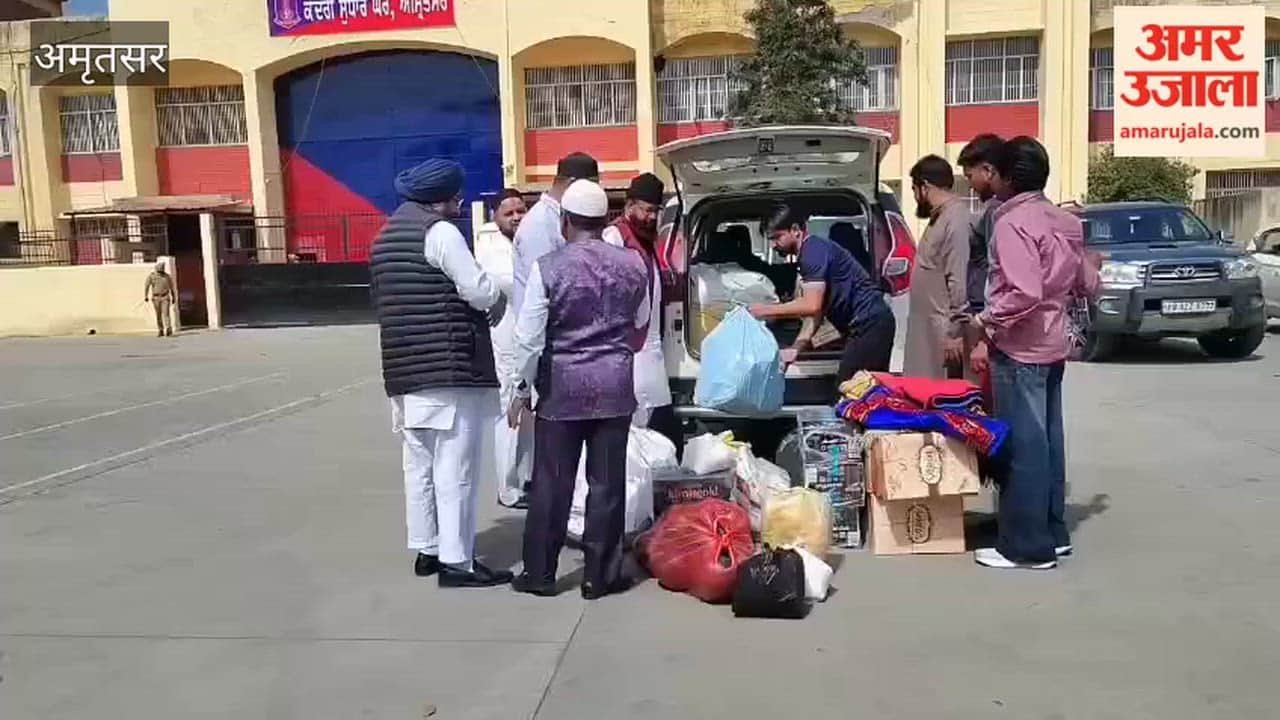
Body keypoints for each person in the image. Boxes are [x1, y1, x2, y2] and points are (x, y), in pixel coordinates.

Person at [369, 158, 514, 589]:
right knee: (458, 468)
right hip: (449, 367)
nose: (458, 205)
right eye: (457, 199)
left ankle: (427, 549)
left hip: (403, 369)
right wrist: (498, 293)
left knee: (419, 466)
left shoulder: (383, 238)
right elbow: (477, 290)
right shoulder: (441, 233)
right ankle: (458, 562)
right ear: (444, 199)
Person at [505, 179, 649, 600]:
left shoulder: (547, 267)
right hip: (614, 389)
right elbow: (640, 321)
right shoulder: (633, 264)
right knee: (607, 484)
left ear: (565, 221)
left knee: (552, 483)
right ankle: (599, 577)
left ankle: (540, 574)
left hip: (561, 392)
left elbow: (529, 338)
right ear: (606, 220)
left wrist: (520, 390)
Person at [969, 137, 1100, 571]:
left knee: (1024, 446)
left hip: (1021, 346)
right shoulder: (1064, 220)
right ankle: (1052, 532)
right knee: (1048, 442)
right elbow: (1087, 281)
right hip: (1053, 341)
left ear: (1006, 176)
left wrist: (985, 321)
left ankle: (1026, 546)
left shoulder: (1012, 222)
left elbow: (1022, 290)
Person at [748, 204, 895, 387]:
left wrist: (764, 311)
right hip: (868, 325)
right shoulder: (809, 254)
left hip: (870, 324)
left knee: (851, 392)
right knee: (858, 393)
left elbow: (811, 305)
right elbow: (815, 313)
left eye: (777, 238)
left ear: (795, 230)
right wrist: (796, 348)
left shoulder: (813, 252)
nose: (773, 245)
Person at [602, 172, 675, 437]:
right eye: (647, 210)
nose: (653, 217)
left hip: (651, 350)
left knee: (653, 428)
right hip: (629, 350)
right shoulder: (614, 236)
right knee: (633, 430)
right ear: (629, 205)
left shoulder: (646, 241)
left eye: (657, 210)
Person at [476, 189, 533, 509]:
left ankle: (525, 479)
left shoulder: (526, 242)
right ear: (495, 216)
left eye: (520, 211)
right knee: (509, 412)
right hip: (505, 342)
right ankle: (507, 488)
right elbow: (506, 284)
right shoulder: (489, 248)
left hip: (529, 341)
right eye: (508, 213)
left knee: (528, 414)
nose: (515, 217)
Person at [903, 154, 973, 379]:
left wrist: (954, 333)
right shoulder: (939, 218)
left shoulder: (956, 219)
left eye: (914, 189)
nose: (915, 197)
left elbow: (958, 278)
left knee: (943, 402)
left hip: (943, 334)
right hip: (926, 333)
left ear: (924, 187)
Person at [511, 152, 599, 315]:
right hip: (544, 330)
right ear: (572, 184)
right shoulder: (540, 223)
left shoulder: (561, 216)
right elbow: (545, 288)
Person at [144, 261, 176, 337]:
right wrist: (145, 295)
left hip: (165, 297)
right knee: (158, 315)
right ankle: (160, 330)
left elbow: (171, 287)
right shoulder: (152, 276)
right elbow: (147, 286)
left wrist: (173, 296)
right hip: (156, 297)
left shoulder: (167, 277)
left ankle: (168, 329)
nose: (161, 269)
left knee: (166, 313)